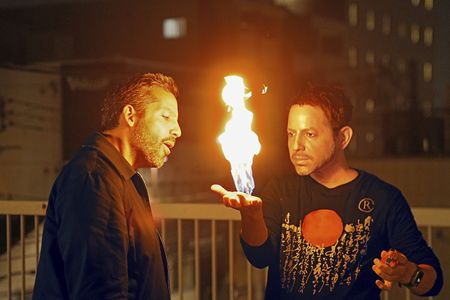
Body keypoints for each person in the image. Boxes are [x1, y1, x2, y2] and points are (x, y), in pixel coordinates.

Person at [211, 85, 443, 299]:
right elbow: (260, 258)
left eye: (310, 134)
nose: (296, 145)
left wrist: (409, 273)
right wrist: (251, 215)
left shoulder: (383, 198)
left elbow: (433, 281)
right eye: (291, 133)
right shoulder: (280, 188)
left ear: (343, 138)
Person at [33, 73, 182, 299]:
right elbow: (100, 288)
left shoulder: (118, 176)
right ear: (130, 116)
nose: (177, 131)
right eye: (166, 117)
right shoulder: (94, 178)